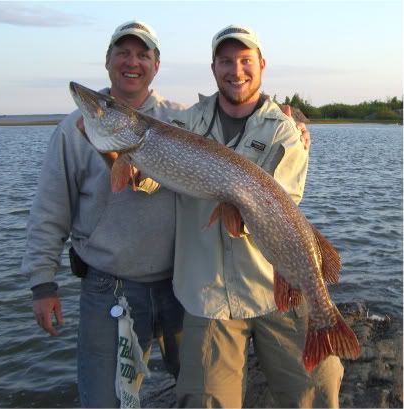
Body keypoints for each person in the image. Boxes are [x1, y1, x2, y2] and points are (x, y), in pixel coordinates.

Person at [171, 24, 344, 408]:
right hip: (209, 296)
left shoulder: (286, 130)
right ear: (213, 68)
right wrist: (119, 159)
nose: (237, 70)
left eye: (246, 60)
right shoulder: (184, 124)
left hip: (275, 284)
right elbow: (152, 180)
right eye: (226, 61)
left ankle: (324, 322)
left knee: (316, 392)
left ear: (262, 64)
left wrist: (239, 204)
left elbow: (282, 201)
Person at [21, 20, 185, 408]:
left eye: (142, 54)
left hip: (181, 285)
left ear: (156, 65)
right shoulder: (72, 130)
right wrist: (42, 284)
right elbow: (49, 210)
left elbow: (236, 134)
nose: (132, 62)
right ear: (108, 61)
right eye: (123, 53)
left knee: (204, 392)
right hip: (109, 286)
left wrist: (286, 115)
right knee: (103, 401)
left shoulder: (182, 119)